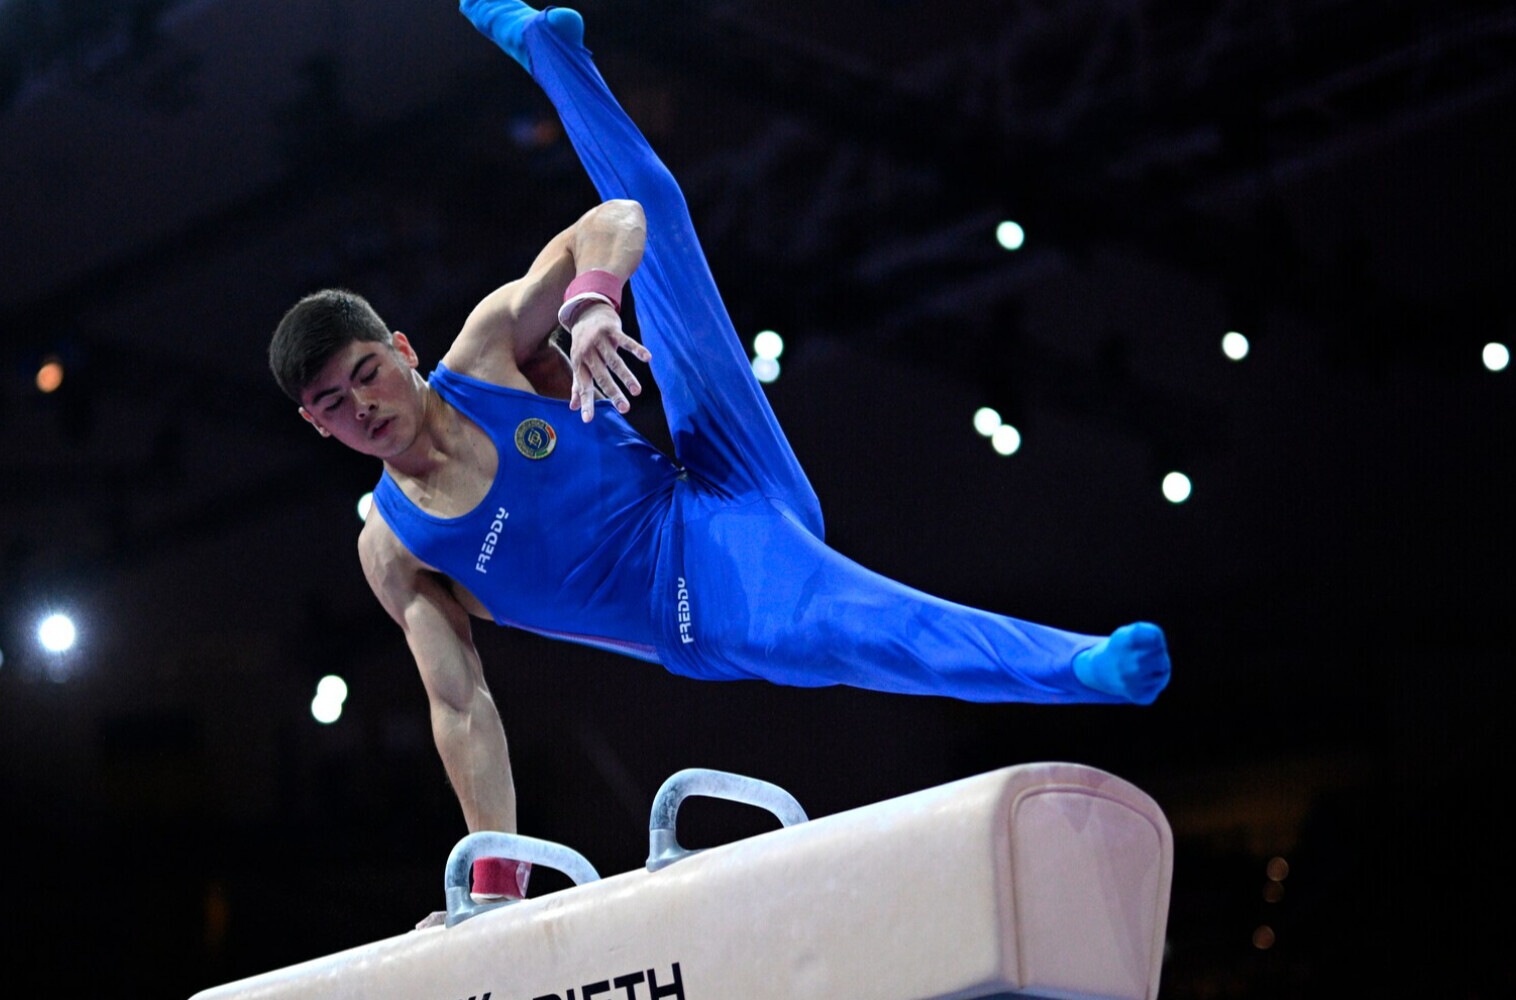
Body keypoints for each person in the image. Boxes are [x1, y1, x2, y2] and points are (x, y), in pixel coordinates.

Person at [267, 0, 1171, 920]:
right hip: (696, 598)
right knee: (855, 629)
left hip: (708, 475)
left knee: (659, 213)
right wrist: (493, 885)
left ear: (404, 348)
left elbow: (612, 218)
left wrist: (589, 307)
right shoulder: (395, 549)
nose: (364, 407)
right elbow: (463, 710)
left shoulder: (489, 352)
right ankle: (1075, 666)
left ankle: (544, 47)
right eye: (333, 405)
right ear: (316, 426)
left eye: (367, 374)